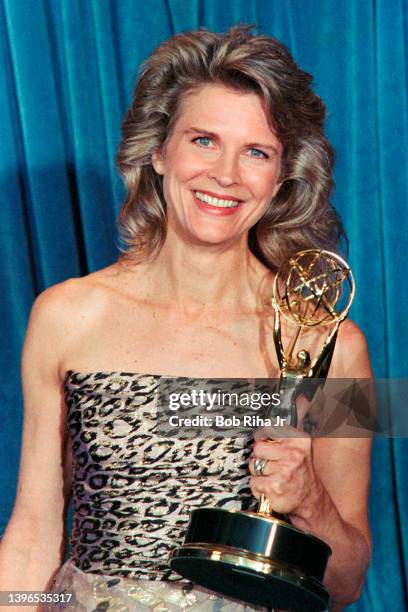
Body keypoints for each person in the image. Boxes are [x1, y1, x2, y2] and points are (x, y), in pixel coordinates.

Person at [0, 26, 372, 611]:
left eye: (256, 152)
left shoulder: (335, 345)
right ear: (157, 150)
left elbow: (347, 584)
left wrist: (309, 501)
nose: (225, 174)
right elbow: (31, 531)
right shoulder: (64, 316)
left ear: (280, 179)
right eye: (203, 140)